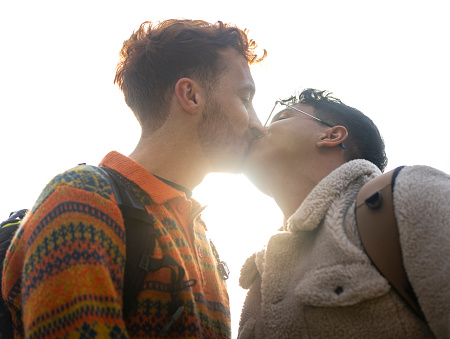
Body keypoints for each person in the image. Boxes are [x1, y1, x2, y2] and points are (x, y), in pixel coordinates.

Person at [2, 19, 265, 338]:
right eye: (246, 98)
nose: (258, 125)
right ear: (191, 95)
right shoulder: (82, 200)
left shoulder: (202, 237)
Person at [238, 88, 450, 338]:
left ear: (331, 136)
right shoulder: (258, 281)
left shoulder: (407, 193)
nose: (260, 127)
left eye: (281, 116)